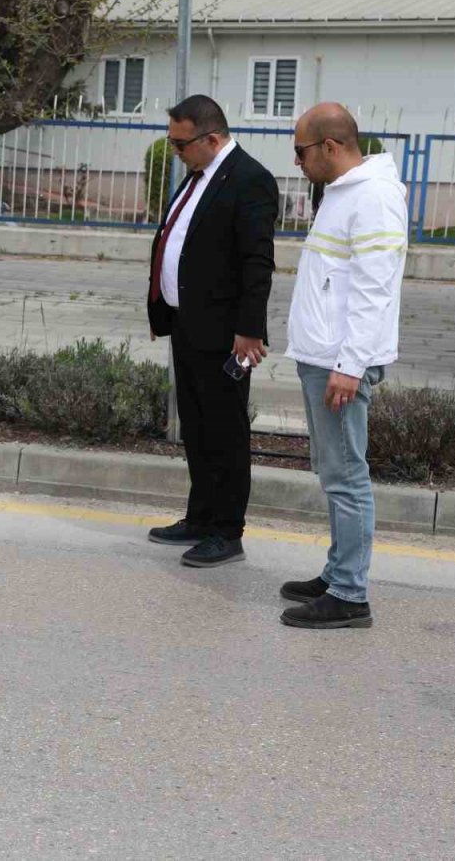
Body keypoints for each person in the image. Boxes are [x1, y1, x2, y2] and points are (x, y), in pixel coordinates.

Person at [279, 103, 407, 630]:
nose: (297, 162)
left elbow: (375, 290)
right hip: (323, 357)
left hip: (339, 362)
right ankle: (338, 572)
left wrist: (349, 365)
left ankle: (350, 593)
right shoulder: (341, 193)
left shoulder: (372, 197)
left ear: (330, 147)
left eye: (300, 151)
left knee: (347, 476)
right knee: (333, 473)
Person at [144, 95, 279, 568]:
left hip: (229, 334)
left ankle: (227, 530)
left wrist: (249, 330)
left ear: (212, 138)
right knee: (197, 426)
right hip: (189, 325)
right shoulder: (198, 175)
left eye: (180, 144)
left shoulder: (250, 180)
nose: (175, 151)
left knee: (225, 428)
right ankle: (200, 516)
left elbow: (257, 262)